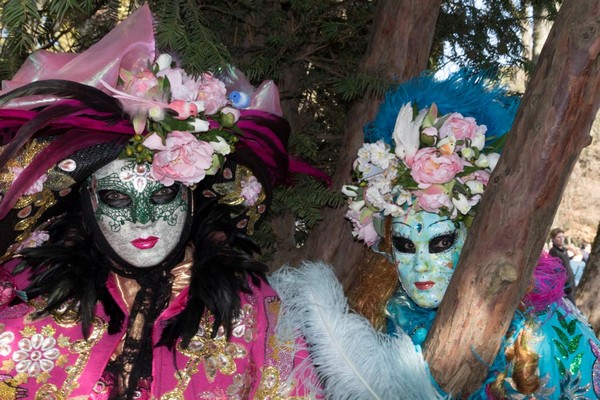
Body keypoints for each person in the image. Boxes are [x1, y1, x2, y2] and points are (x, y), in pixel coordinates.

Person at [0, 6, 322, 399]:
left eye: (162, 194)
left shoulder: (250, 309)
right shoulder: (23, 293)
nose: (141, 219)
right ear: (86, 204)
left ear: (190, 198)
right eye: (116, 198)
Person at [272, 73, 600, 399]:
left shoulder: (545, 325)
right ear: (387, 249)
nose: (422, 266)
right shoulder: (382, 320)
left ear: (475, 238)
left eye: (441, 242)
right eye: (403, 245)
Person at [548, 228, 577, 297]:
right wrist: (565, 283)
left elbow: (566, 264)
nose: (562, 239)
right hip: (564, 286)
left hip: (571, 283)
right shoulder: (553, 251)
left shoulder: (563, 250)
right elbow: (556, 269)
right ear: (553, 239)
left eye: (563, 237)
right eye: (559, 237)